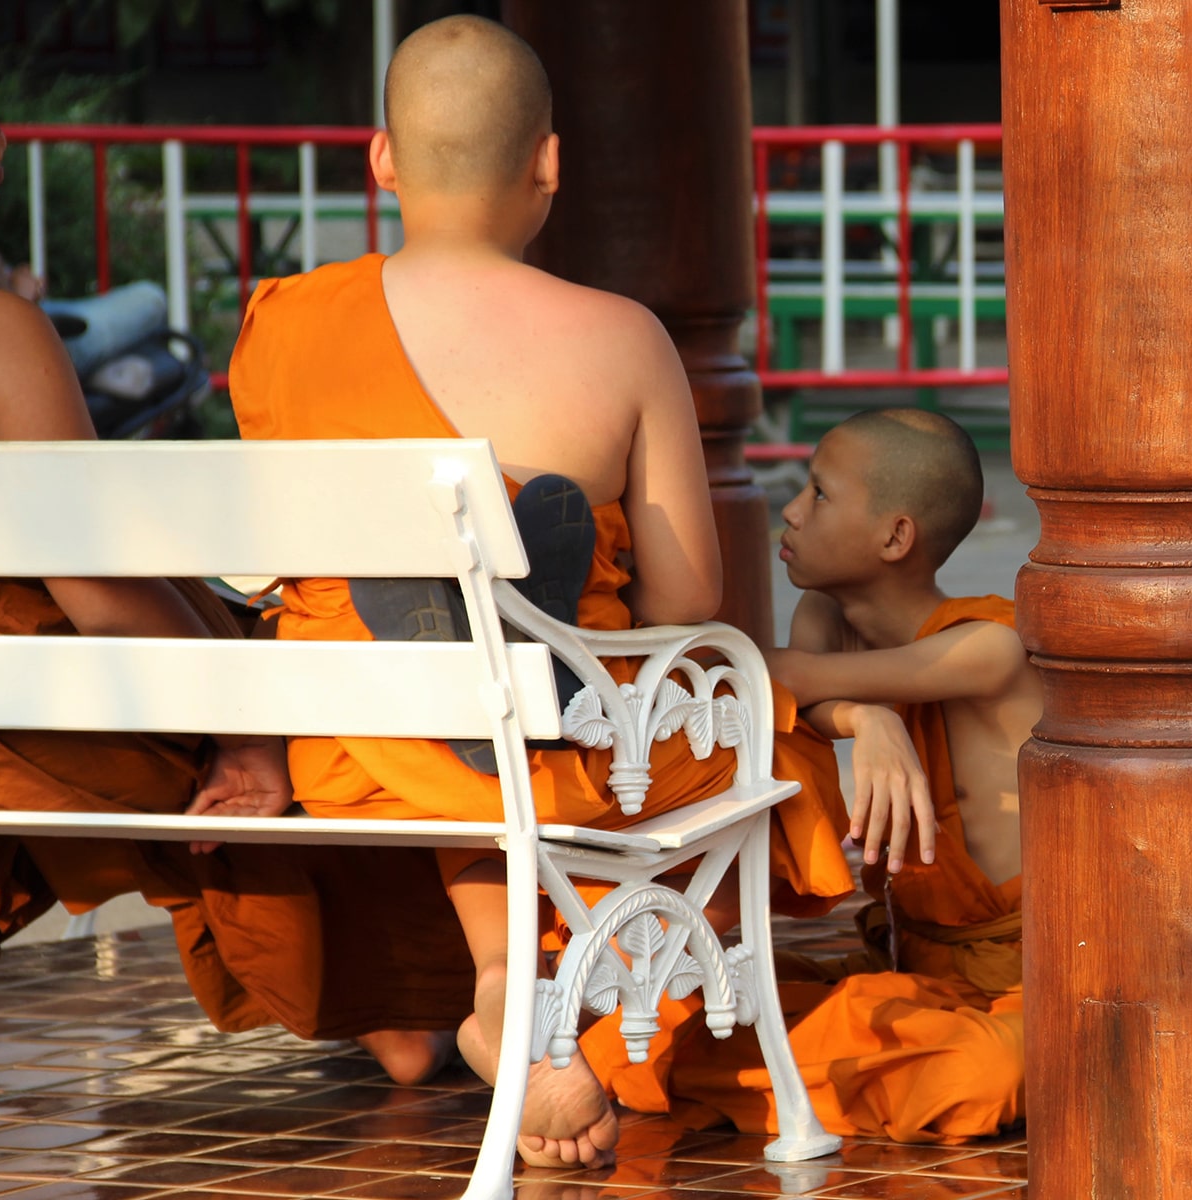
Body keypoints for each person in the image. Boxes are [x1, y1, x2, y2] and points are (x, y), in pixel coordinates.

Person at [227, 15, 852, 1168]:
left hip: (356, 738)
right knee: (716, 724)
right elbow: (687, 597)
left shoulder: (286, 326)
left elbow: (268, 564)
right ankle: (588, 1005)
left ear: (381, 161)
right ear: (551, 164)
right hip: (571, 744)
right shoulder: (622, 339)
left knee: (450, 709)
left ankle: (506, 974)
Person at [0, 0, 472, 1087]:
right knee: (300, 687)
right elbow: (107, 602)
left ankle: (396, 1008)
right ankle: (416, 1005)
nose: (2, 147)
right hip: (44, 725)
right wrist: (250, 725)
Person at [579, 408, 1040, 1144]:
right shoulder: (827, 614)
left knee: (995, 1069)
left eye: (820, 494)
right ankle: (702, 1072)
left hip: (1025, 986)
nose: (790, 509)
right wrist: (865, 719)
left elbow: (780, 674)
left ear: (895, 536)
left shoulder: (991, 647)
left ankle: (653, 1078)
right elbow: (774, 680)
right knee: (710, 992)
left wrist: (850, 707)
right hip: (909, 970)